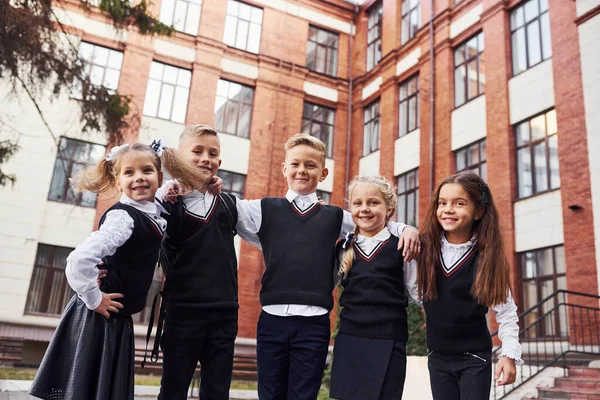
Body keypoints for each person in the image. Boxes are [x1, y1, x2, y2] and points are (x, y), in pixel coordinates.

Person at [233, 133, 421, 400]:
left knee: (303, 395)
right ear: (284, 168)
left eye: (310, 165)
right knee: (270, 394)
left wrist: (407, 228)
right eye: (295, 164)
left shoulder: (334, 216)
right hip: (272, 321)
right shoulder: (264, 209)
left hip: (314, 324)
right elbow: (227, 208)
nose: (301, 170)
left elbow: (370, 223)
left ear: (323, 173)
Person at [29, 141, 201, 400]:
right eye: (129, 173)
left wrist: (171, 189)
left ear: (159, 176)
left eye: (147, 171)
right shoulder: (123, 218)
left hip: (116, 321)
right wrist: (95, 298)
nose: (139, 178)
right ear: (118, 182)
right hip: (97, 319)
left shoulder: (148, 208)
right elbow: (79, 260)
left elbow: (155, 200)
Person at [155, 124, 243, 400]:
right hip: (183, 312)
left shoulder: (228, 204)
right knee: (173, 389)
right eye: (197, 151)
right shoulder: (167, 202)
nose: (206, 158)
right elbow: (138, 212)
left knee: (217, 391)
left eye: (212, 153)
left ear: (219, 163)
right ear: (178, 158)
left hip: (224, 313)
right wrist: (168, 184)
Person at [418, 171, 523, 400]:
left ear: (479, 211)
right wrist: (404, 229)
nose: (448, 209)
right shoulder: (423, 250)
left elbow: (506, 313)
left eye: (459, 203)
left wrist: (509, 355)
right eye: (442, 203)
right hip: (437, 356)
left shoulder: (488, 257)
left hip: (475, 358)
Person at [329, 176, 420, 400]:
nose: (365, 209)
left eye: (373, 202)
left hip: (389, 339)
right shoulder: (344, 247)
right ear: (350, 208)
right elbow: (323, 287)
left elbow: (417, 292)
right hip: (350, 339)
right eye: (358, 203)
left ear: (389, 208)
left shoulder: (402, 245)